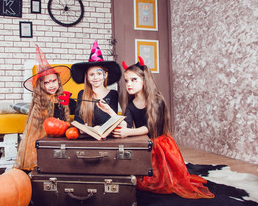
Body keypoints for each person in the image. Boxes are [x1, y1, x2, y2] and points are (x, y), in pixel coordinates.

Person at [97, 57, 215, 199]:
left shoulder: (157, 101)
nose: (129, 84)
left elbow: (150, 128)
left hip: (159, 145)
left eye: (134, 80)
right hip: (145, 144)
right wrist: (110, 111)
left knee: (162, 181)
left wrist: (129, 132)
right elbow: (126, 124)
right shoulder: (131, 104)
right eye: (126, 81)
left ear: (145, 81)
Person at [13, 45, 75, 171]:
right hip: (45, 139)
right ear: (41, 86)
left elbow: (74, 112)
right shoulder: (40, 102)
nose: (51, 85)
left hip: (61, 138)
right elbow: (38, 130)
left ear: (58, 81)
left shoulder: (62, 98)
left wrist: (68, 102)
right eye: (46, 83)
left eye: (53, 81)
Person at [70, 40, 122, 129]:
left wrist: (100, 127)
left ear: (105, 75)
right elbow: (77, 120)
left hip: (106, 137)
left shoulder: (113, 94)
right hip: (86, 137)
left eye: (99, 73)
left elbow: (112, 119)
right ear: (87, 77)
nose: (95, 78)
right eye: (91, 74)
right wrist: (82, 128)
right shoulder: (82, 94)